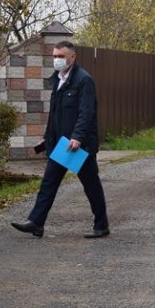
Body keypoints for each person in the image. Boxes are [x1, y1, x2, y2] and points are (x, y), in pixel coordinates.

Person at [11, 40, 110, 239]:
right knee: (48, 183)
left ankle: (102, 225)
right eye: (55, 56)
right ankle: (36, 222)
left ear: (72, 57)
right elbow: (55, 114)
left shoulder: (83, 80)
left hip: (79, 146)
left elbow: (86, 112)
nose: (57, 60)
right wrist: (47, 138)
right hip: (61, 144)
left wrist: (77, 137)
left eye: (60, 56)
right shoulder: (57, 79)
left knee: (91, 186)